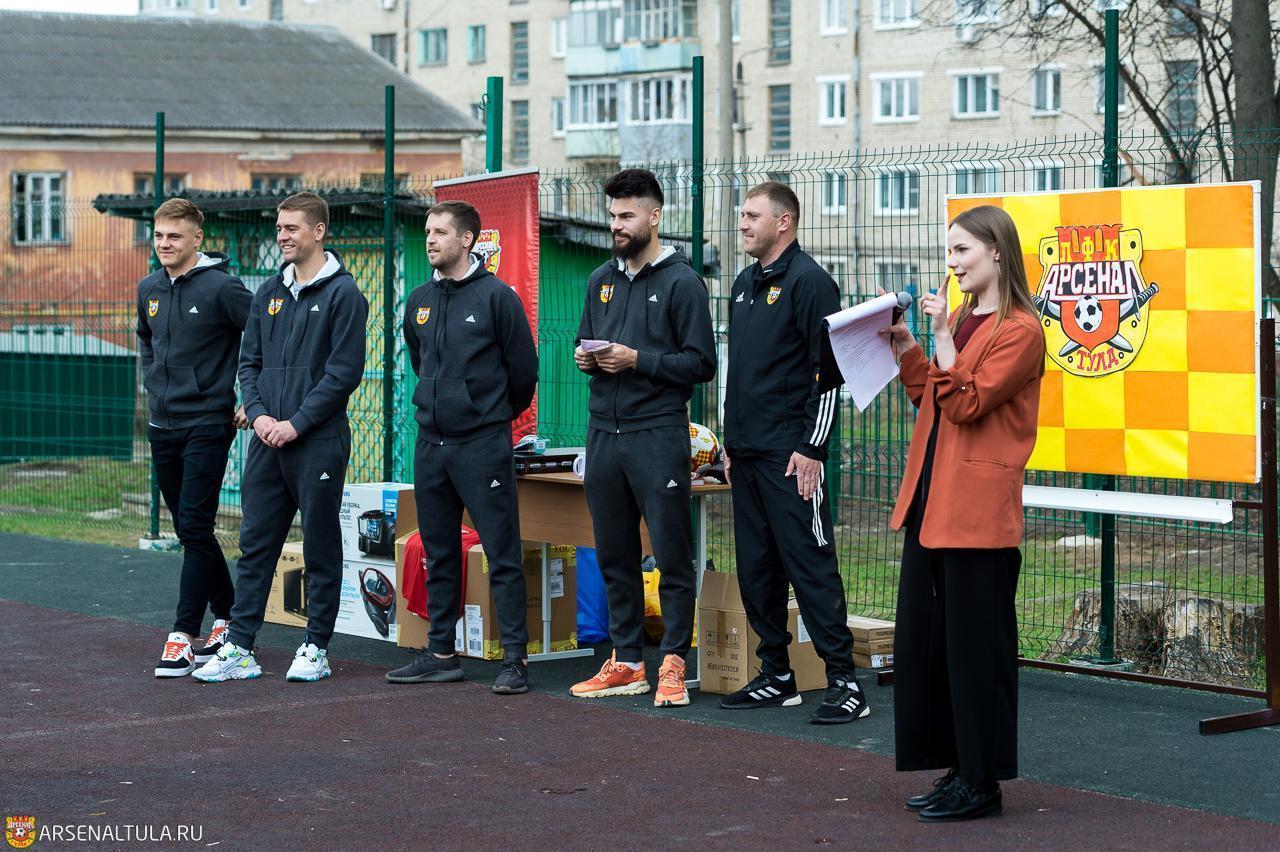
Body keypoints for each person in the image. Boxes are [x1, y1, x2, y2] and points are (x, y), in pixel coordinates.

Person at [881, 205, 1045, 822]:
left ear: (997, 252)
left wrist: (942, 343)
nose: (951, 263)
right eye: (949, 251)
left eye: (962, 251)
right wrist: (908, 350)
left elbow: (969, 404)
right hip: (933, 502)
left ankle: (982, 783)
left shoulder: (1022, 330)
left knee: (977, 652)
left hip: (977, 512)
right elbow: (935, 398)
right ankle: (960, 769)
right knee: (937, 647)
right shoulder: (961, 319)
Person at [193, 192, 368, 683]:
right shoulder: (268, 291)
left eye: (292, 227)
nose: (282, 236)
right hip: (267, 439)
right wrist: (260, 415)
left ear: (319, 231)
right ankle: (240, 646)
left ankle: (316, 647)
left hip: (317, 441)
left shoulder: (345, 295)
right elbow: (248, 363)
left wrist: (297, 423)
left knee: (320, 545)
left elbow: (343, 373)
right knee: (255, 544)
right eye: (279, 228)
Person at [718, 181, 868, 724]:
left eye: (752, 216)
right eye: (742, 215)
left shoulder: (811, 282)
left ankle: (845, 682)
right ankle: (776, 675)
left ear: (784, 222)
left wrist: (811, 448)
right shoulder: (743, 284)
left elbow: (829, 375)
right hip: (747, 456)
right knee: (756, 570)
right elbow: (741, 372)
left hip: (791, 456)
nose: (742, 224)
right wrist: (730, 443)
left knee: (810, 565)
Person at [569, 168, 716, 708]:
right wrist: (587, 358)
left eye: (627, 215)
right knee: (615, 554)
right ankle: (628, 661)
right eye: (612, 215)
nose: (617, 225)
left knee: (673, 556)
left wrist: (637, 360)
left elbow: (701, 363)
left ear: (654, 216)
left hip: (657, 434)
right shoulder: (599, 279)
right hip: (603, 434)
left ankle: (674, 662)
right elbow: (586, 342)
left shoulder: (683, 282)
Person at [385, 200, 538, 694]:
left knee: (501, 551)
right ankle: (441, 653)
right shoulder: (419, 299)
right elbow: (419, 359)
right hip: (431, 444)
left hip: (482, 444)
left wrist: (486, 413)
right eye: (428, 231)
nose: (430, 239)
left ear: (467, 239)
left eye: (440, 232)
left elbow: (524, 373)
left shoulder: (497, 298)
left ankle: (515, 660)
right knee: (438, 550)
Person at [137, 198, 252, 678]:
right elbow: (147, 340)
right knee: (192, 531)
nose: (165, 244)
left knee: (194, 525)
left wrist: (255, 398)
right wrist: (152, 383)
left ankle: (183, 635)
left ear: (197, 238)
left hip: (207, 422)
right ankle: (227, 615)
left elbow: (265, 337)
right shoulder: (148, 287)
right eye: (159, 236)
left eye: (175, 236)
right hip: (162, 425)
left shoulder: (223, 288)